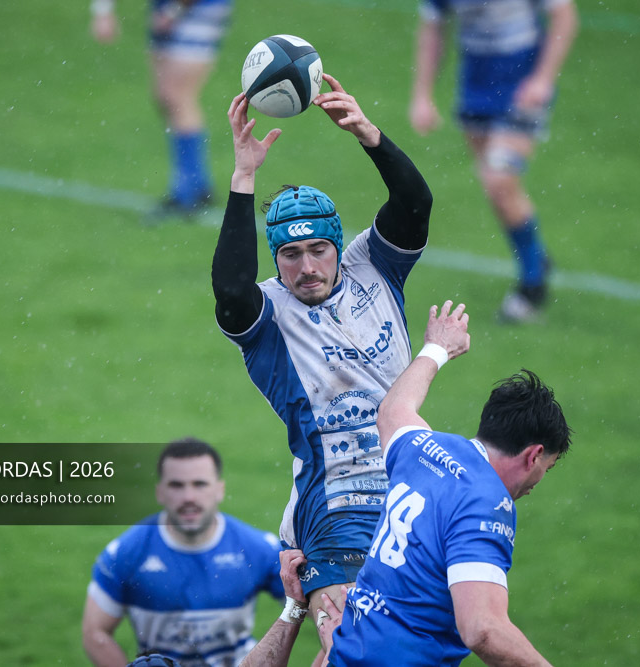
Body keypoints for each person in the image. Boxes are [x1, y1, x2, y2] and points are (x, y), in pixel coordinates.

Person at [211, 73, 433, 625]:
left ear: (338, 246)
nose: (307, 267)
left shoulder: (374, 267)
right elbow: (230, 290)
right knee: (347, 645)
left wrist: (369, 135)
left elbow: (414, 202)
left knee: (405, 648)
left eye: (318, 250)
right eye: (289, 255)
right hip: (337, 504)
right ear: (275, 258)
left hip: (412, 491)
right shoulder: (266, 318)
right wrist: (244, 176)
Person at [326, 300, 573, 666]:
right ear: (534, 455)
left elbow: (393, 410)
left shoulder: (424, 448)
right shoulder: (487, 503)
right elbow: (482, 629)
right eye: (547, 468)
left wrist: (437, 348)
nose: (538, 482)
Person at [410, 0, 579, 322]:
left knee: (500, 182)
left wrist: (543, 79)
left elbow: (564, 14)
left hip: (521, 83)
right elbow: (433, 27)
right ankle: (537, 257)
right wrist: (423, 95)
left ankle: (532, 285)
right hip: (476, 83)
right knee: (497, 189)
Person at [82, 437, 285, 667]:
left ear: (220, 490)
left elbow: (321, 612)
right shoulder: (125, 554)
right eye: (176, 485)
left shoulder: (259, 549)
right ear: (160, 492)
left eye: (199, 484)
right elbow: (94, 631)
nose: (189, 497)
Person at [90, 0, 231, 214]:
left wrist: (174, 10)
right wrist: (103, 11)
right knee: (166, 96)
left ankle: (188, 192)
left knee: (178, 96)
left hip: (196, 7)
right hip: (166, 7)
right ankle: (197, 186)